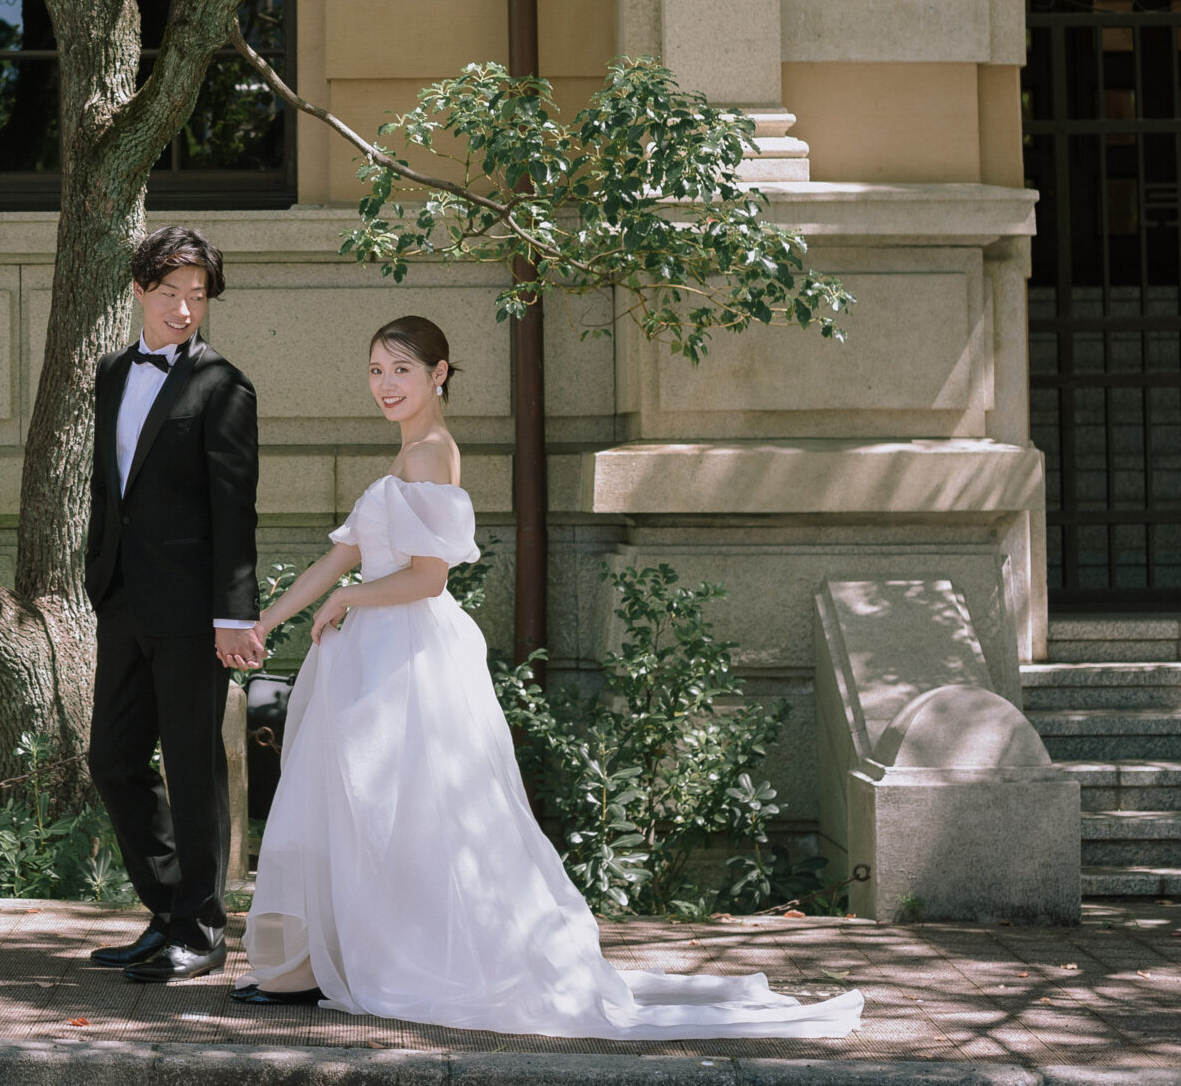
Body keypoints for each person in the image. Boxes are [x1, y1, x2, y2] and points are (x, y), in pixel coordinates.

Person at [229, 315, 864, 1040]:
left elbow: (428, 579)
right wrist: (264, 621)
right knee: (359, 808)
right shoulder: (407, 451)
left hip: (402, 653)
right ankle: (327, 962)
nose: (386, 384)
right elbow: (342, 554)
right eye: (376, 369)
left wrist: (349, 601)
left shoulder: (431, 454)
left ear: (440, 373)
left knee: (401, 810)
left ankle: (374, 961)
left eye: (402, 369)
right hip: (374, 650)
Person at [81, 225, 266, 983]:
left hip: (194, 611)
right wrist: (97, 570)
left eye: (197, 295)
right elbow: (110, 485)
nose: (184, 309)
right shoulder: (111, 373)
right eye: (169, 293)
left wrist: (234, 614)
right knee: (113, 757)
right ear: (139, 291)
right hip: (123, 596)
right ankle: (166, 911)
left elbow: (234, 508)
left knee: (191, 765)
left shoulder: (224, 386)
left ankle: (203, 927)